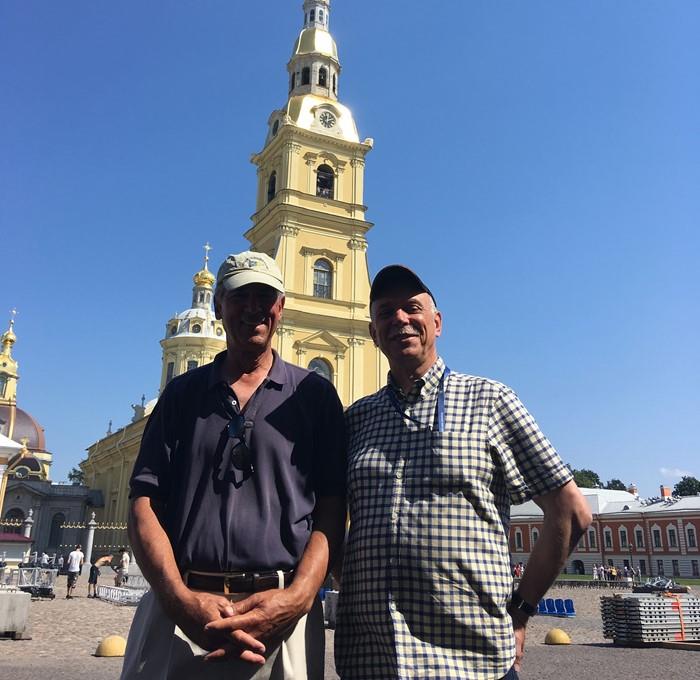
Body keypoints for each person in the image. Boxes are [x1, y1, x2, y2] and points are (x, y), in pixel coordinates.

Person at [335, 265, 593, 680]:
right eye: (386, 312)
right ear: (372, 332)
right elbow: (331, 522)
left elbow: (571, 511)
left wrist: (523, 610)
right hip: (371, 658)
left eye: (412, 308)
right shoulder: (357, 420)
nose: (400, 319)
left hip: (469, 661)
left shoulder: (489, 400)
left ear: (436, 323)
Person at [121, 251, 347, 679]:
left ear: (280, 307)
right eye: (241, 296)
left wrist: (299, 597)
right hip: (180, 613)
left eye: (265, 297)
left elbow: (332, 506)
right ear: (219, 304)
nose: (253, 308)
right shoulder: (182, 395)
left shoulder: (315, 396)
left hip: (284, 619)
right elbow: (143, 502)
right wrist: (178, 599)